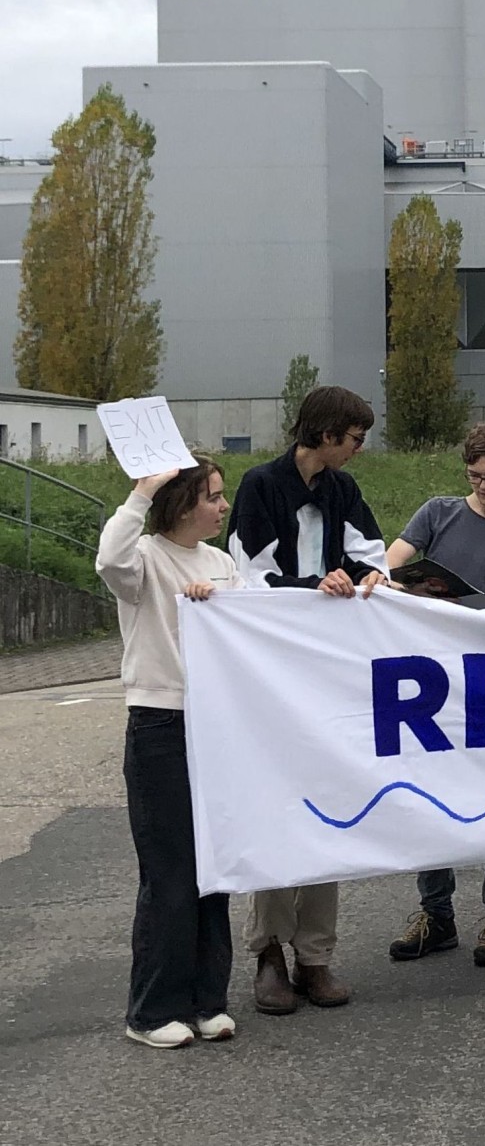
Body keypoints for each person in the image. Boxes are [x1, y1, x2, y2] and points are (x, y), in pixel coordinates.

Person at [226, 385, 387, 1015]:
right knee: (276, 807)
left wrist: (373, 577)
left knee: (330, 804)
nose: (358, 448)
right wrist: (310, 587)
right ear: (323, 433)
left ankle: (315, 956)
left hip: (331, 671)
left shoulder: (343, 492)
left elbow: (373, 554)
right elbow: (249, 574)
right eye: (353, 437)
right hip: (272, 670)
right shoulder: (260, 485)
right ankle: (269, 952)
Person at [97, 458, 242, 1049]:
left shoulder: (223, 563)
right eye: (212, 496)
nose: (223, 506)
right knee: (169, 869)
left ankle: (208, 998)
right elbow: (109, 557)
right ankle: (152, 1010)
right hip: (160, 723)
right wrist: (141, 493)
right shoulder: (146, 559)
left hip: (218, 726)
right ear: (182, 506)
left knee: (214, 864)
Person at [385, 422, 485, 968]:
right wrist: (407, 583)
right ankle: (436, 911)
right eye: (475, 476)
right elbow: (390, 564)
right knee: (433, 789)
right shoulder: (438, 512)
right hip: (432, 674)